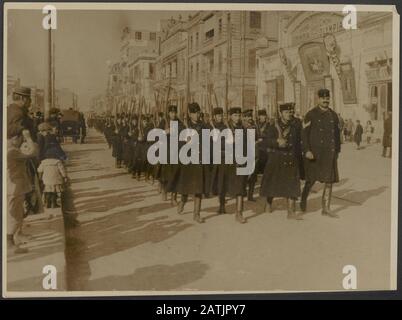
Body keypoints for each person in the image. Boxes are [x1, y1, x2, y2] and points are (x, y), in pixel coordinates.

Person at [300, 88, 341, 218]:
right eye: (323, 98)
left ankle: (326, 208)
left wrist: (337, 151)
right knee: (310, 180)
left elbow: (337, 135)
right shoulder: (310, 114)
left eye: (327, 98)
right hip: (314, 154)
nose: (325, 100)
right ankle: (303, 201)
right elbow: (304, 134)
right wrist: (306, 150)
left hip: (329, 154)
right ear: (318, 99)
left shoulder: (334, 115)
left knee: (329, 181)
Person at [260, 103, 303, 220]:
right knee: (272, 184)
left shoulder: (296, 125)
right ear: (281, 113)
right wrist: (276, 142)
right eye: (286, 112)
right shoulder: (273, 126)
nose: (289, 114)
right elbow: (265, 142)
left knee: (292, 185)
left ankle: (291, 211)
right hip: (276, 158)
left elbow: (300, 141)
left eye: (290, 112)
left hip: (291, 158)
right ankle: (268, 203)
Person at [209, 107, 248, 223]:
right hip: (226, 160)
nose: (238, 118)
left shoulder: (243, 128)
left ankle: (239, 213)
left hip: (239, 160)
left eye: (239, 115)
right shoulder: (224, 127)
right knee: (223, 184)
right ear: (230, 116)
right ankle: (221, 205)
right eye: (235, 116)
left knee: (240, 186)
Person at [176, 103, 210, 223]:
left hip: (199, 160)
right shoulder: (184, 126)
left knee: (198, 188)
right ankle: (182, 202)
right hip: (188, 160)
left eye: (198, 112)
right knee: (186, 186)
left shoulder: (204, 126)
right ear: (190, 114)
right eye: (194, 113)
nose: (197, 115)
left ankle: (196, 214)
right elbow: (179, 144)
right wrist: (186, 141)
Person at [7, 128, 38, 254]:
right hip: (14, 188)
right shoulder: (12, 151)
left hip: (13, 186)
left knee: (16, 213)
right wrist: (29, 138)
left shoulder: (9, 149)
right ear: (15, 138)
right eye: (20, 139)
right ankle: (9, 244)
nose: (21, 141)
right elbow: (33, 152)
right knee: (15, 215)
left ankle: (16, 236)